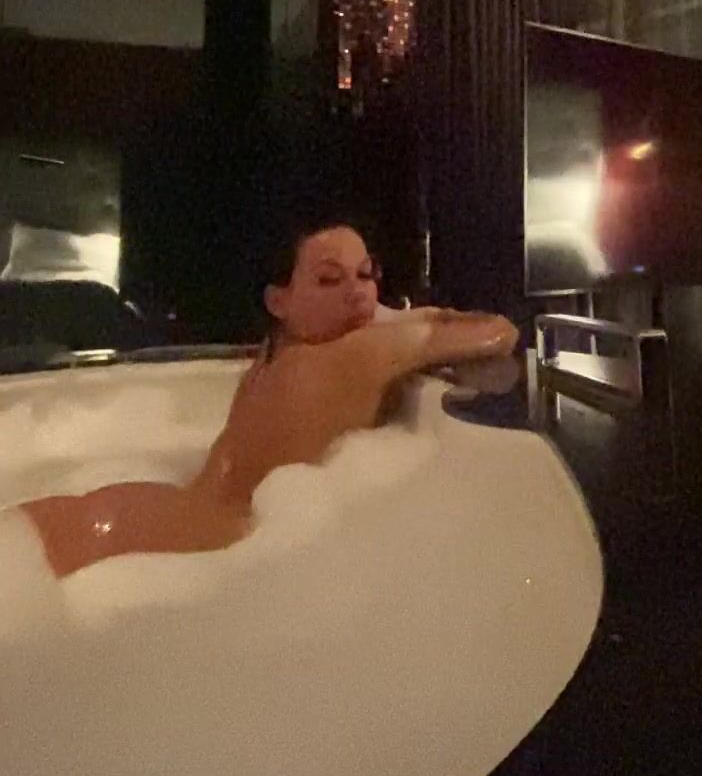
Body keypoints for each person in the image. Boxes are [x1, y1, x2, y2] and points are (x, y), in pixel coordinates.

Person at [17, 221, 517, 580]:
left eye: (366, 275)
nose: (357, 293)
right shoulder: (355, 354)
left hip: (170, 511)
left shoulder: (272, 355)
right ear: (278, 300)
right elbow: (496, 332)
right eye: (330, 279)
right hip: (207, 535)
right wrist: (392, 318)